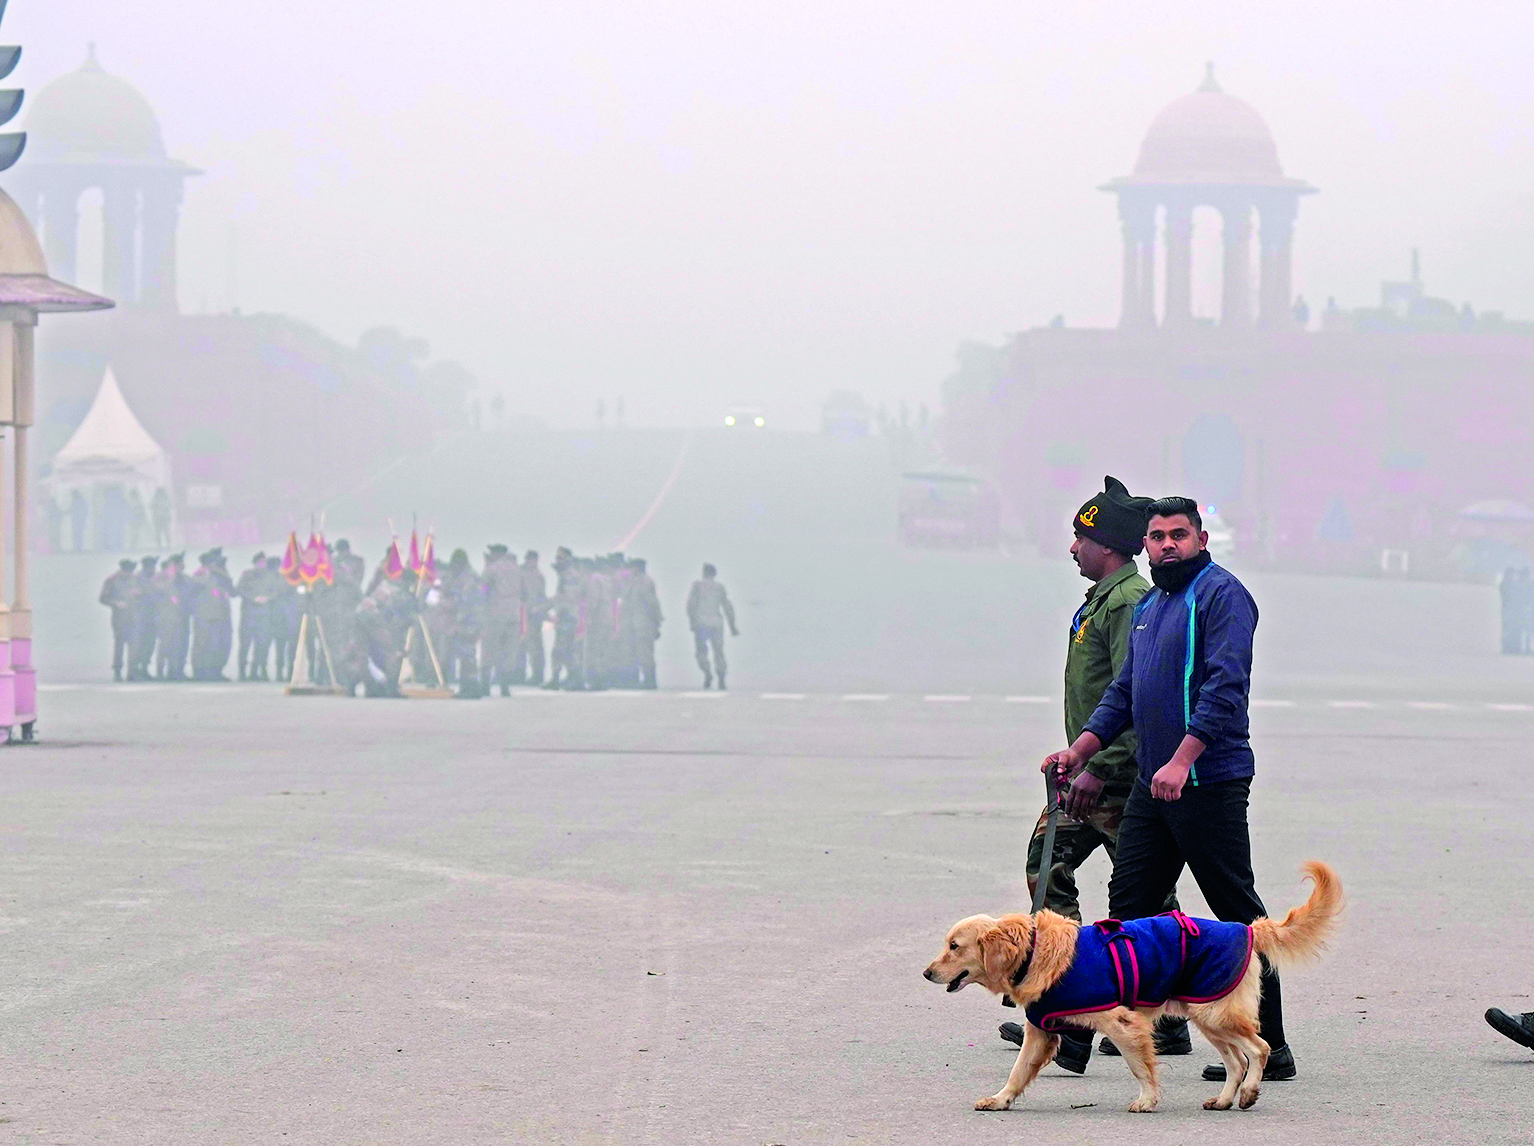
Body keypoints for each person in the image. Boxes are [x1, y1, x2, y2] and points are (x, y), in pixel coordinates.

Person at [1044, 496, 1296, 1083]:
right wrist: (1079, 748)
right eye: (1157, 537)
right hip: (1152, 789)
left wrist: (1183, 761)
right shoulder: (1152, 604)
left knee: (1237, 915)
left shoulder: (1221, 595)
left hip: (1207, 781)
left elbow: (1225, 686)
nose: (1167, 546)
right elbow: (1125, 692)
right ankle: (1100, 1030)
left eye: (1178, 535)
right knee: (1128, 911)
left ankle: (1273, 1046)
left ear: (1202, 540)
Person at [998, 477, 1184, 1072]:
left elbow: (1138, 696)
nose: (1072, 549)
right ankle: (1125, 1011)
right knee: (1140, 895)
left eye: (1079, 538)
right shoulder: (1106, 597)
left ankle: (1075, 998)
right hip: (1095, 770)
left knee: (1092, 880)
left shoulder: (1128, 601)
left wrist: (1098, 766)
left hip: (1117, 777)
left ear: (1105, 544)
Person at [686, 563, 737, 689]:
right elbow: (727, 607)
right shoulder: (719, 587)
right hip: (716, 623)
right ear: (714, 574)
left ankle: (707, 672)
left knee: (701, 652)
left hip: (701, 623)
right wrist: (732, 625)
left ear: (703, 573)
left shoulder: (697, 586)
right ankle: (721, 677)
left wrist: (691, 622)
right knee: (719, 652)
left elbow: (690, 606)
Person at [480, 545, 522, 696]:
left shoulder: (492, 569)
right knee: (508, 651)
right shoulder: (517, 569)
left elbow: (483, 589)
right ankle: (505, 686)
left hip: (495, 613)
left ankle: (485, 684)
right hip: (513, 614)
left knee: (489, 649)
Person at [99, 558, 139, 681]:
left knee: (134, 645)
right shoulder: (111, 580)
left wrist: (138, 593)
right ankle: (117, 671)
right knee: (119, 644)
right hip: (119, 617)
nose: (130, 574)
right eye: (128, 571)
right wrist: (116, 603)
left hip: (134, 616)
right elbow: (103, 598)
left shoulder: (134, 579)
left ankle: (131, 672)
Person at [626, 558, 663, 689]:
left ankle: (650, 679)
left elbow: (652, 603)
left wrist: (657, 623)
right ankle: (645, 678)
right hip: (636, 623)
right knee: (639, 652)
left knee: (645, 653)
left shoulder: (645, 582)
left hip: (644, 623)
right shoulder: (635, 582)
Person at [234, 552, 268, 681]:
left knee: (260, 645)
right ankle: (242, 672)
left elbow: (275, 590)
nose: (262, 565)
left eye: (264, 562)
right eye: (260, 562)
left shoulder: (269, 576)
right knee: (245, 645)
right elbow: (239, 589)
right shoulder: (247, 575)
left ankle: (255, 672)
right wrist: (253, 599)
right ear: (255, 563)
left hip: (263, 616)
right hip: (248, 615)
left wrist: (267, 598)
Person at [128, 556, 159, 679]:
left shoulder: (153, 578)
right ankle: (133, 671)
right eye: (152, 567)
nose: (154, 569)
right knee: (138, 644)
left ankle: (144, 669)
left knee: (149, 644)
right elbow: (134, 594)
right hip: (139, 616)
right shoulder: (136, 578)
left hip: (152, 616)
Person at [520, 550, 548, 685]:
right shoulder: (521, 574)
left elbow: (541, 596)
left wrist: (541, 611)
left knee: (535, 646)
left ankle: (538, 674)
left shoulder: (538, 576)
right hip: (522, 614)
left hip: (534, 615)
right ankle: (521, 672)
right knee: (522, 645)